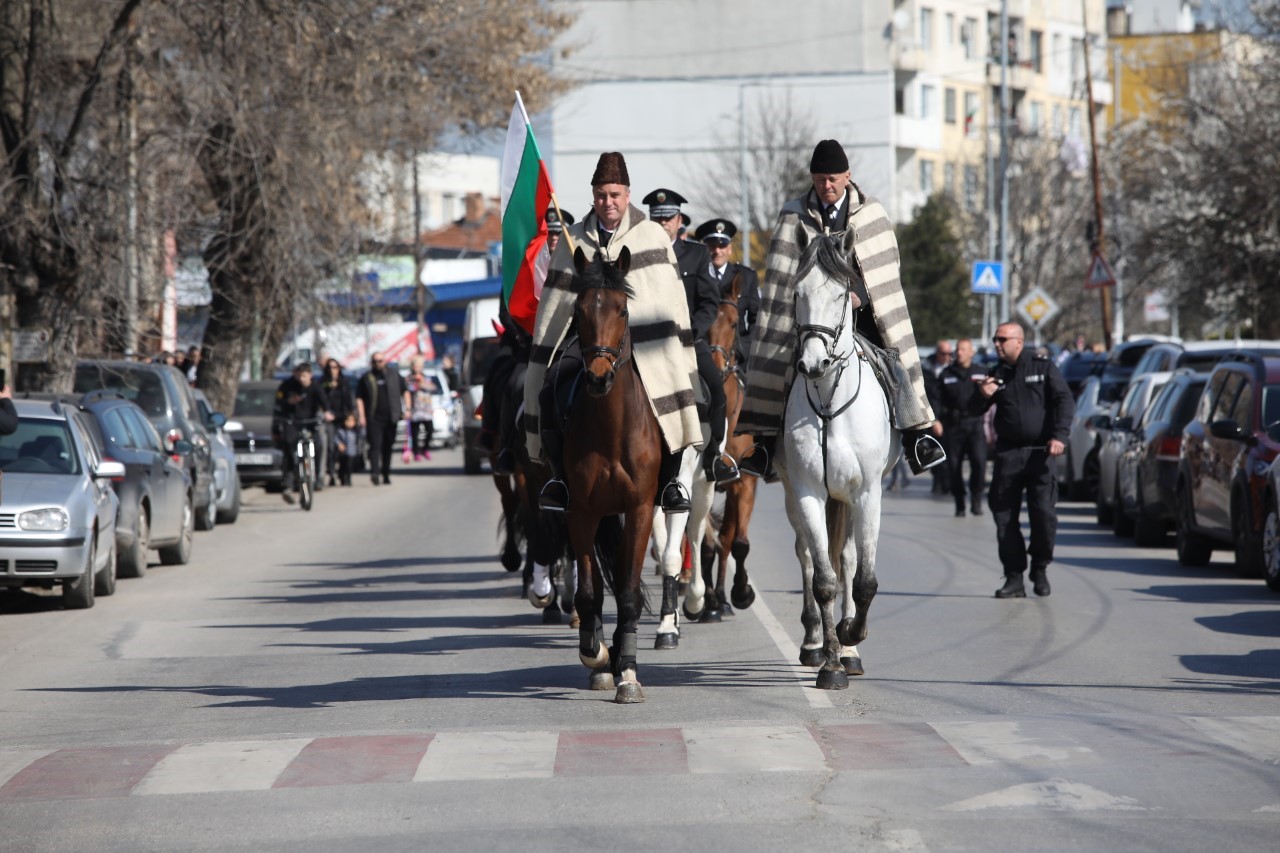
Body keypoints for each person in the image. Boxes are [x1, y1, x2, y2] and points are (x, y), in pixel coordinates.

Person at [737, 139, 946, 480]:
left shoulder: (872, 213)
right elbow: (780, 280)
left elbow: (886, 275)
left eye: (833, 177)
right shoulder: (793, 215)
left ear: (848, 175)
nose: (827, 185)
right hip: (807, 320)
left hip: (862, 318)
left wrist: (859, 296)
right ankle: (763, 444)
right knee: (778, 365)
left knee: (894, 362)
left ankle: (916, 437)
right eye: (820, 178)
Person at [524, 151, 703, 513]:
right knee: (550, 390)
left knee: (684, 391)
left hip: (647, 341)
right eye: (602, 195)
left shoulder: (651, 234)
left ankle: (669, 484)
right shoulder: (574, 239)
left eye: (615, 195)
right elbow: (554, 306)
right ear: (593, 196)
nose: (608, 202)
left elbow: (669, 297)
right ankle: (559, 479)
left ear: (627, 194)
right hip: (588, 342)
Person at [971, 321, 1074, 598]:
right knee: (1004, 517)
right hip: (1009, 454)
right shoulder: (997, 373)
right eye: (995, 339)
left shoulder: (1042, 366)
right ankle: (1014, 576)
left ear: (1019, 341)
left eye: (1002, 339)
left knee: (1043, 516)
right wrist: (982, 395)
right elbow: (972, 410)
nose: (997, 344)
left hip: (1041, 454)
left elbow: (1064, 401)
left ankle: (1039, 567)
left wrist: (1059, 436)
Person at [642, 188, 736, 483]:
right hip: (648, 345)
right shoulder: (636, 253)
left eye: (668, 218)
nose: (663, 223)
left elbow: (709, 302)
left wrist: (690, 331)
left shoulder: (696, 254)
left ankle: (713, 458)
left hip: (689, 343)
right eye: (657, 218)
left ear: (679, 219)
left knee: (717, 391)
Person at [695, 217, 761, 367]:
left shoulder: (746, 277)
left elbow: (756, 318)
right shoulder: (697, 278)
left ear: (729, 248)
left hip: (739, 357)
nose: (717, 251)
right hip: (703, 354)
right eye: (712, 245)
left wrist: (744, 350)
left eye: (722, 245)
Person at [939, 338, 989, 517]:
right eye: (958, 349)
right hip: (954, 426)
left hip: (975, 424)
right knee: (954, 466)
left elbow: (991, 398)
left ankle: (976, 500)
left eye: (963, 349)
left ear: (971, 353)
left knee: (979, 462)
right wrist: (936, 421)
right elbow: (938, 400)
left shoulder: (982, 373)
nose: (959, 353)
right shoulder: (946, 374)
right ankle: (960, 503)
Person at [272, 362, 332, 504]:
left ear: (310, 375)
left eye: (304, 376)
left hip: (310, 422)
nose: (301, 379)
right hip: (292, 422)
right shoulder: (287, 386)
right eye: (298, 376)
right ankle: (287, 485)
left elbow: (325, 403)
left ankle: (317, 477)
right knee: (289, 449)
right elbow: (278, 404)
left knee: (319, 443)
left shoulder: (316, 387)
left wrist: (327, 413)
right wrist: (288, 402)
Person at [356, 351, 410, 486]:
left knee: (387, 447)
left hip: (392, 417)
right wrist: (362, 416)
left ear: (385, 361)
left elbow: (406, 391)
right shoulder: (366, 377)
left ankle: (386, 473)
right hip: (373, 418)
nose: (377, 364)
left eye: (380, 361)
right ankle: (375, 473)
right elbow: (359, 398)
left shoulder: (393, 375)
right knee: (375, 446)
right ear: (371, 363)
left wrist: (407, 409)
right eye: (375, 361)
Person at [924, 339, 954, 495]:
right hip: (931, 417)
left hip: (949, 418)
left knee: (950, 453)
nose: (947, 357)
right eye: (944, 353)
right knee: (934, 451)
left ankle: (948, 484)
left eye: (950, 353)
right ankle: (937, 482)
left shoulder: (954, 370)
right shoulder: (927, 369)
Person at [319, 359, 354, 486]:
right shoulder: (322, 383)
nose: (333, 370)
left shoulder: (344, 382)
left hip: (343, 418)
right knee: (332, 448)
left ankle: (345, 475)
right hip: (330, 419)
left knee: (347, 449)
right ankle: (332, 474)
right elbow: (321, 401)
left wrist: (350, 416)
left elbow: (349, 401)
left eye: (335, 367)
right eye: (330, 367)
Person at [404, 356, 436, 462]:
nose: (417, 368)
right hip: (415, 410)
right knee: (415, 433)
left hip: (426, 410)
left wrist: (423, 383)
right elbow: (407, 391)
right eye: (416, 365)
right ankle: (416, 452)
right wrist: (417, 384)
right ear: (412, 366)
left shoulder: (426, 377)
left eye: (419, 366)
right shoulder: (408, 378)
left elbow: (433, 388)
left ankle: (425, 449)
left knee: (430, 430)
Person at [333, 412, 361, 486]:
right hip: (343, 453)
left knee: (349, 467)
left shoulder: (356, 432)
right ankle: (342, 477)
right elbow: (336, 439)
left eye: (352, 421)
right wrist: (339, 444)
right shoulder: (341, 431)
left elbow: (360, 440)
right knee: (342, 466)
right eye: (348, 421)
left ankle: (348, 479)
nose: (350, 423)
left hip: (352, 453)